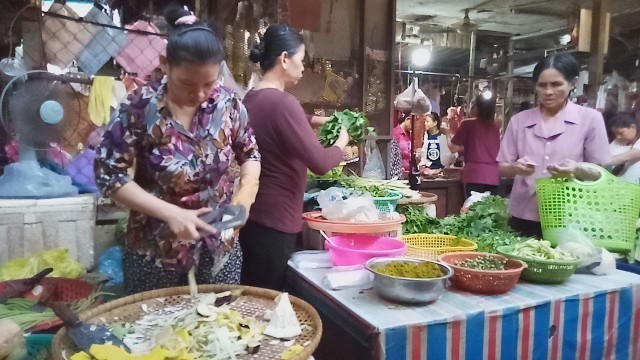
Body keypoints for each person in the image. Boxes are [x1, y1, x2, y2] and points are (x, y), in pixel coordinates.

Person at [94, 6, 261, 295]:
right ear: (165, 64)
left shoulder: (227, 104)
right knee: (155, 332)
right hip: (155, 255)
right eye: (187, 84)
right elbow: (110, 175)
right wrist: (170, 213)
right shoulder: (139, 108)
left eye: (208, 84)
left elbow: (251, 154)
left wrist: (246, 194)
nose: (199, 94)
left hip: (219, 251)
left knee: (220, 331)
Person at [240, 24, 349, 290]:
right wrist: (342, 141)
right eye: (300, 61)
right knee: (269, 299)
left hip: (254, 216)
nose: (303, 68)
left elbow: (278, 120)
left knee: (253, 296)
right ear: (284, 59)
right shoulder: (283, 103)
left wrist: (315, 119)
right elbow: (321, 164)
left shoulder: (251, 98)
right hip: (277, 221)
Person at [497, 53, 611, 238]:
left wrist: (577, 169)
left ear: (572, 83)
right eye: (542, 85)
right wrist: (515, 168)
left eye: (557, 84)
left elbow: (601, 172)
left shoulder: (590, 119)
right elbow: (502, 168)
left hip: (570, 217)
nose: (548, 92)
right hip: (523, 214)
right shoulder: (519, 121)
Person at [446, 94, 501, 198]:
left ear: (475, 108)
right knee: (491, 211)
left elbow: (453, 148)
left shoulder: (467, 124)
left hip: (474, 175)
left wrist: (447, 133)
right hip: (493, 176)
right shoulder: (495, 126)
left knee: (472, 210)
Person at [604, 112, 640, 183]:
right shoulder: (618, 141)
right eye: (615, 134)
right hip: (617, 180)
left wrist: (599, 162)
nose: (618, 136)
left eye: (621, 133)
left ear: (633, 127)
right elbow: (607, 155)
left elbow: (625, 157)